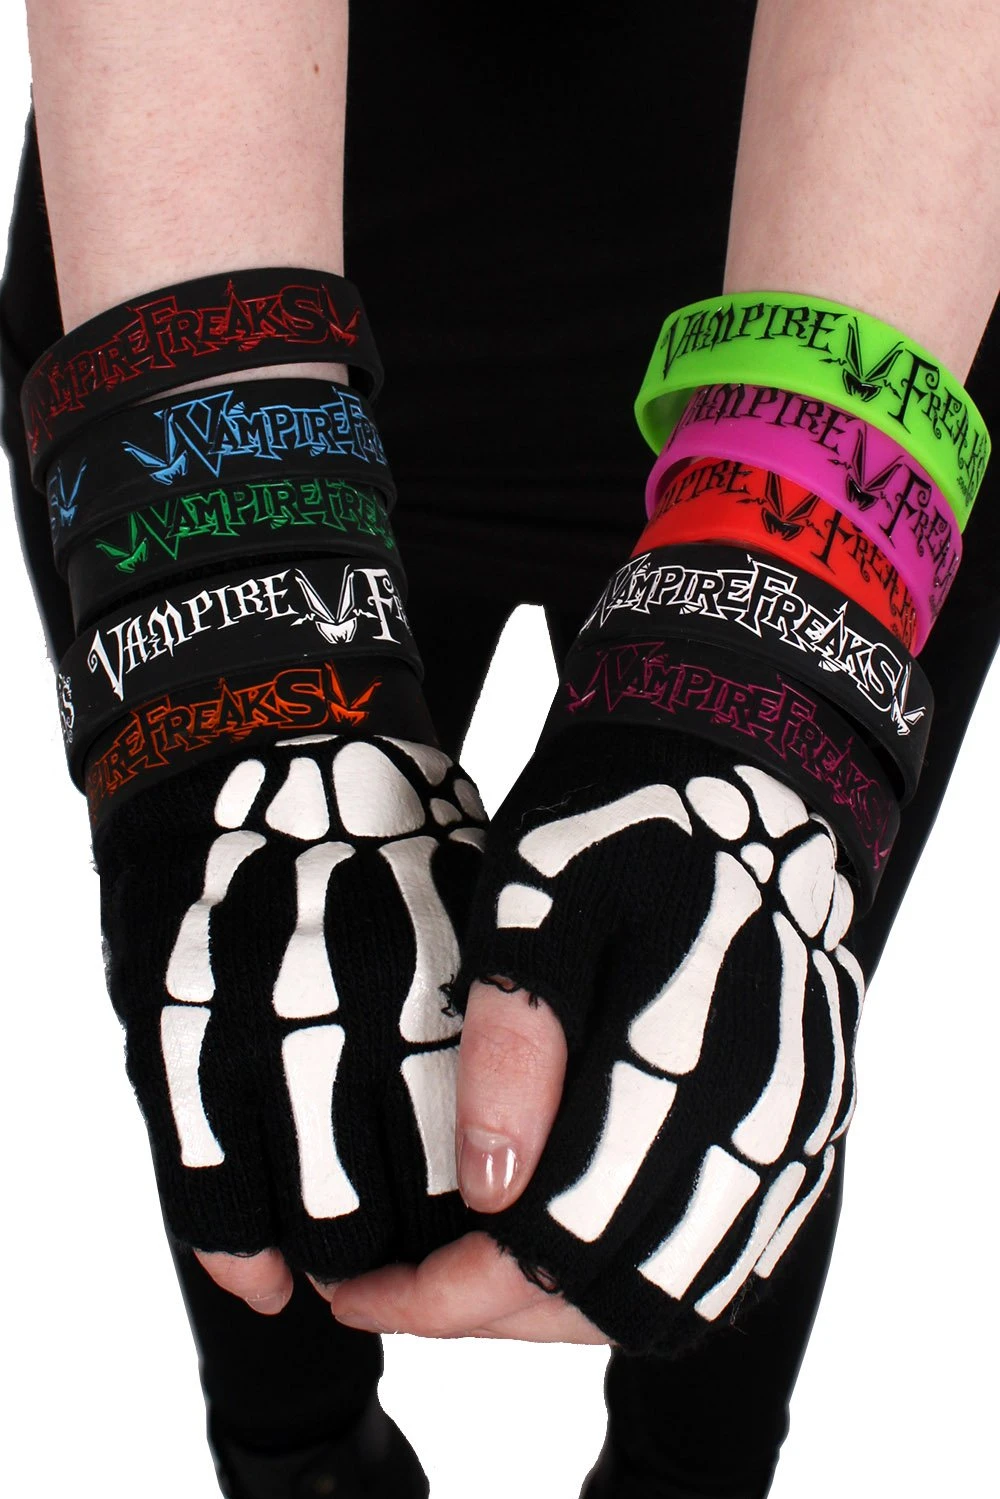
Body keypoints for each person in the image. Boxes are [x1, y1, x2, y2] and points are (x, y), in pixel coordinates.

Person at [2, 2, 997, 1495]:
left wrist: (781, 605)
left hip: (878, 247)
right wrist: (238, 572)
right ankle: (297, 1457)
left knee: (729, 1006)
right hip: (214, 226)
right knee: (259, 983)